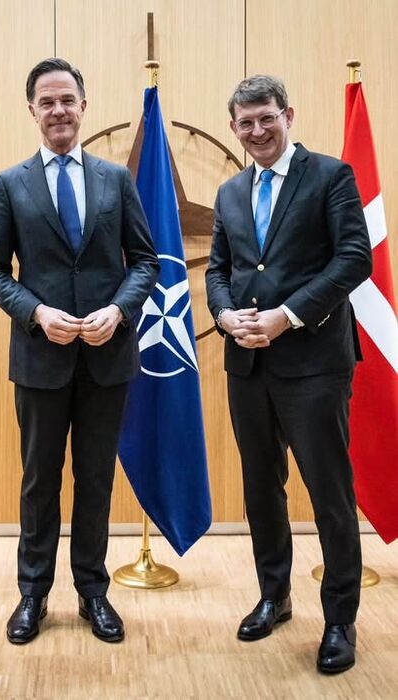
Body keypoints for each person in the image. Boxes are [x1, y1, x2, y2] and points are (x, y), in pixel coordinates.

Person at [0, 58, 158, 645]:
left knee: (96, 479)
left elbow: (146, 261)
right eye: (47, 102)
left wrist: (119, 311)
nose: (58, 110)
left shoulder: (116, 179)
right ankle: (32, 593)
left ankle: (92, 591)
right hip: (41, 358)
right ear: (31, 110)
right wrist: (36, 312)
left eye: (67, 100)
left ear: (84, 106)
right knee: (39, 481)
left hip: (107, 357)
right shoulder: (10, 183)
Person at [206, 75, 372, 674]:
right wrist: (224, 314)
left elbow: (354, 258)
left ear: (288, 115)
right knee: (261, 488)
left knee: (330, 494)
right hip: (247, 362)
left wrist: (287, 316)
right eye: (245, 123)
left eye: (266, 118)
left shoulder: (330, 176)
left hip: (315, 363)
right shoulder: (229, 191)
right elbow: (219, 269)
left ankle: (340, 620)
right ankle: (274, 596)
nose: (257, 131)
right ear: (233, 128)